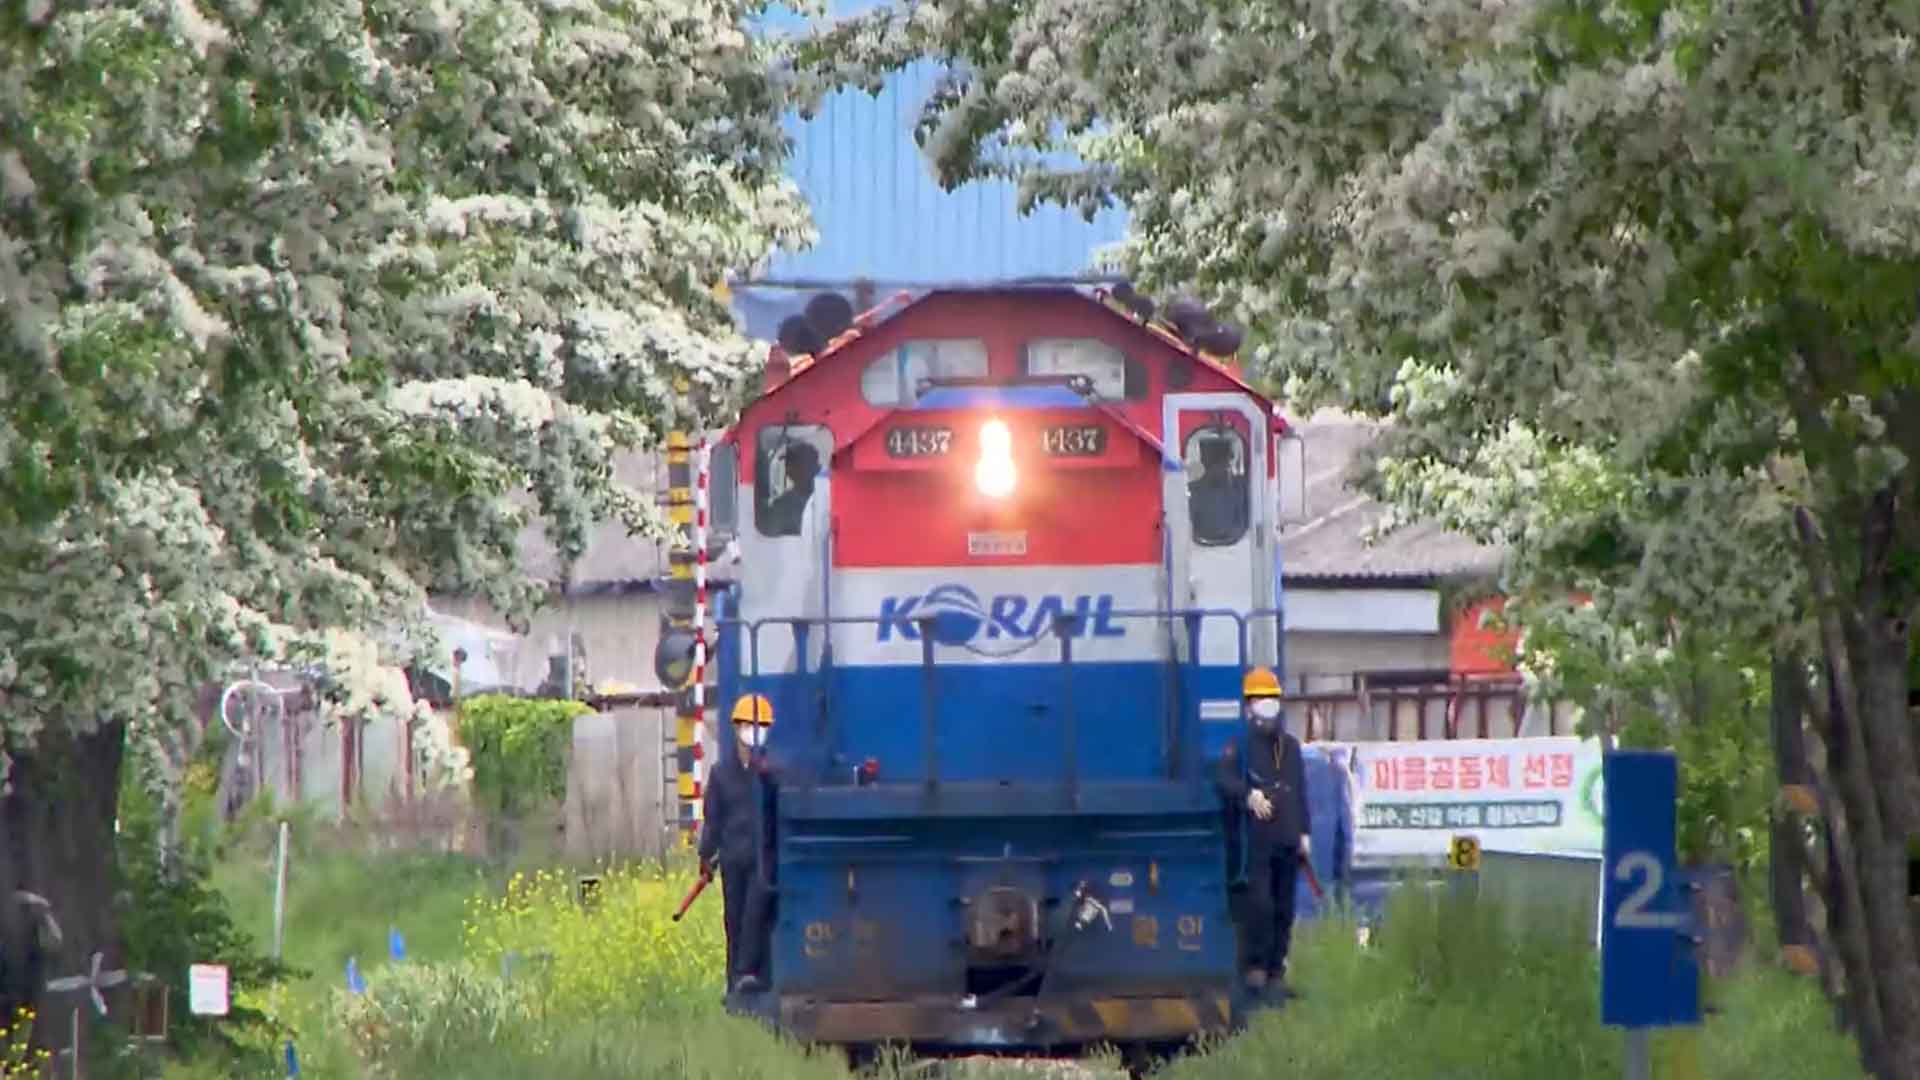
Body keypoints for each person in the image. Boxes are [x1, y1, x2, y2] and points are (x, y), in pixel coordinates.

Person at [1215, 666, 1311, 992]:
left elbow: (1299, 791)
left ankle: (1276, 972)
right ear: (1248, 705)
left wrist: (1305, 833)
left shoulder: (1292, 747)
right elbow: (1224, 780)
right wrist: (1249, 795)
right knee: (1260, 906)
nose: (1266, 706)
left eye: (1270, 698)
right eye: (1259, 699)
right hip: (1257, 841)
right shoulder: (1239, 746)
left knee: (1285, 909)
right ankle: (1254, 966)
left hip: (1287, 838)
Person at [699, 692, 777, 993]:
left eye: (758, 725)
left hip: (761, 857)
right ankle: (734, 982)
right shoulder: (721, 774)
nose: (751, 731)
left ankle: (751, 973)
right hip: (733, 857)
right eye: (746, 725)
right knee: (733, 918)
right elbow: (713, 819)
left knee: (756, 912)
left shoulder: (770, 772)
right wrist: (706, 856)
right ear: (736, 729)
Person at [1188, 436, 1246, 543]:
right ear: (1205, 461)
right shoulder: (1193, 492)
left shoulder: (1241, 487)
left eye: (1227, 462)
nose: (1226, 468)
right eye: (1222, 463)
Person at [760, 441, 819, 537]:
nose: (788, 469)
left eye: (791, 463)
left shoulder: (827, 495)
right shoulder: (784, 504)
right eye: (787, 464)